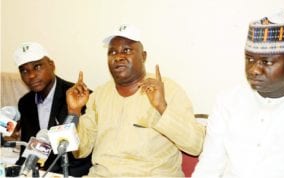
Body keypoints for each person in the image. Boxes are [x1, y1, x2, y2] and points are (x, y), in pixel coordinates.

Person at [66, 24, 205, 177]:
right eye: (112, 52)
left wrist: (162, 107)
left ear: (143, 56)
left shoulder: (168, 90)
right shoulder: (100, 94)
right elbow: (80, 151)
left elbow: (196, 145)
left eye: (127, 50)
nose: (118, 57)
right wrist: (74, 112)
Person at [192, 12, 284, 178]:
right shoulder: (227, 101)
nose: (253, 70)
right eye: (249, 59)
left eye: (267, 62)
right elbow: (210, 165)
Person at [13, 42, 92, 177]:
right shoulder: (25, 103)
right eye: (24, 71)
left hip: (70, 173)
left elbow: (82, 155)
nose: (31, 75)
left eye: (37, 67)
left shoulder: (78, 96)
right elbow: (29, 150)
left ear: (52, 65)